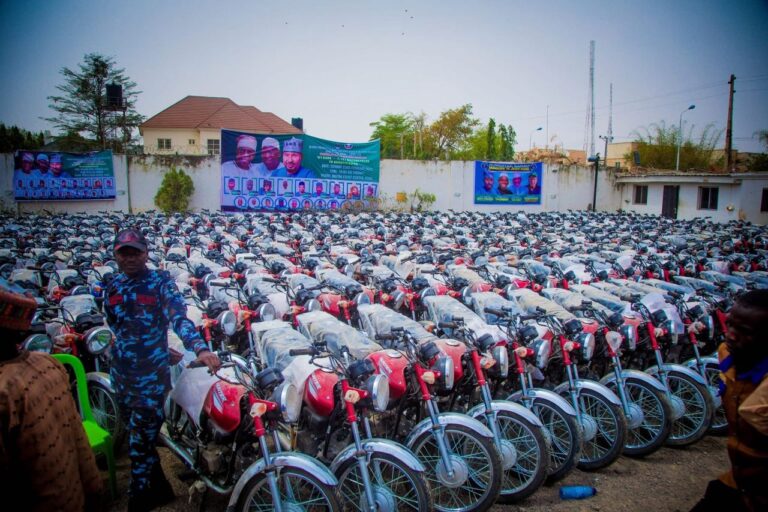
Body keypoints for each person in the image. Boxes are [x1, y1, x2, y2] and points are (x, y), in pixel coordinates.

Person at [105, 229, 220, 511]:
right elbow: (116, 326)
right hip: (122, 374)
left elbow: (178, 318)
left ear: (145, 253)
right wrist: (151, 344)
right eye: (124, 252)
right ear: (116, 256)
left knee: (140, 445)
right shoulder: (113, 286)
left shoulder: (160, 283)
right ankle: (161, 491)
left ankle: (138, 501)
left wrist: (200, 347)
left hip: (149, 378)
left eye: (135, 251)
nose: (130, 257)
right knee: (138, 434)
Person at [0, 280, 103, 512]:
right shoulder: (48, 364)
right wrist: (95, 491)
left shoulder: (5, 389)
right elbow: (80, 441)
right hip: (73, 495)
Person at [691, 290, 768, 512]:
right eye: (731, 324)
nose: (731, 335)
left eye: (746, 332)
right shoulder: (728, 353)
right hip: (738, 481)